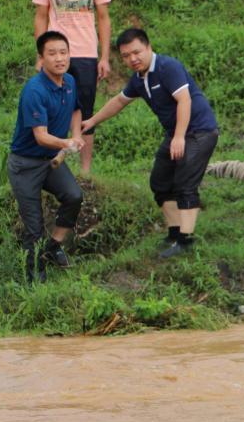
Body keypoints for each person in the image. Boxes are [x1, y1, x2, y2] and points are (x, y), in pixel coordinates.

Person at [81, 28, 219, 258]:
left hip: (199, 131)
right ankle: (174, 234)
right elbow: (118, 101)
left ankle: (186, 241)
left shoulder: (167, 67)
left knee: (185, 182)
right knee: (160, 182)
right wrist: (92, 121)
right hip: (176, 132)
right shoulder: (139, 79)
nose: (132, 59)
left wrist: (178, 137)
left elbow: (184, 101)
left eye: (136, 52)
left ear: (148, 47)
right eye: (126, 56)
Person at [8, 31, 85, 283]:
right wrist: (66, 142)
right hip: (25, 165)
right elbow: (40, 136)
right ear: (41, 58)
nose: (59, 58)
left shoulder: (70, 81)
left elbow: (76, 109)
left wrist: (76, 134)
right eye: (52, 54)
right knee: (34, 226)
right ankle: (35, 282)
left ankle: (53, 248)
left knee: (74, 196)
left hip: (51, 159)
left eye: (63, 52)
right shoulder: (35, 90)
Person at [33, 0, 111, 174]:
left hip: (86, 54)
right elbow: (41, 17)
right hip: (56, 55)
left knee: (86, 110)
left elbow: (104, 18)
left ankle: (85, 171)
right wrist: (41, 55)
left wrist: (105, 57)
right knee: (55, 109)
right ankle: (54, 167)